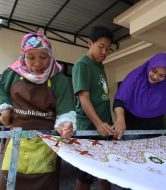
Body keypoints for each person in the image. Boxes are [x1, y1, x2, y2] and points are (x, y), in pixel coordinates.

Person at [0, 32, 76, 190]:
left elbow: (65, 109)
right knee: (9, 182)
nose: (37, 63)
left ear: (50, 55)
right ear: (23, 55)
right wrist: (5, 108)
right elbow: (2, 93)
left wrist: (65, 125)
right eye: (31, 57)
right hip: (17, 140)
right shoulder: (12, 74)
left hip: (46, 144)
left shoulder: (58, 79)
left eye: (43, 57)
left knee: (45, 184)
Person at [72, 26, 113, 190]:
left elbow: (103, 98)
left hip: (103, 126)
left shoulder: (100, 66)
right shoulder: (82, 65)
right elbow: (84, 97)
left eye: (108, 49)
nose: (104, 52)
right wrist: (98, 123)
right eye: (101, 46)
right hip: (89, 128)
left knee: (106, 170)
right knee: (85, 174)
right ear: (90, 44)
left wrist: (108, 123)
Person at [113, 52, 166, 140]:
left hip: (155, 132)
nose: (155, 77)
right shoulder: (135, 77)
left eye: (161, 75)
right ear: (149, 66)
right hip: (132, 130)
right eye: (154, 71)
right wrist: (120, 120)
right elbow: (119, 100)